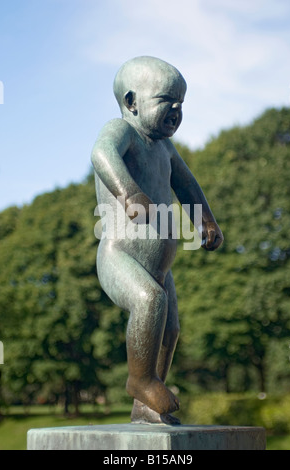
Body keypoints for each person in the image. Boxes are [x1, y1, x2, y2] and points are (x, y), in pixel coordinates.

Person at [91, 56, 223, 424]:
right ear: (132, 102)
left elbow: (187, 185)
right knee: (149, 302)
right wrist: (129, 193)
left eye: (182, 102)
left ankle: (148, 403)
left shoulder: (165, 148)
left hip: (161, 267)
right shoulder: (122, 131)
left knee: (170, 327)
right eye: (167, 100)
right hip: (119, 256)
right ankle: (141, 380)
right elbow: (101, 155)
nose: (178, 109)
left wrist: (206, 221)